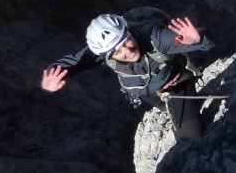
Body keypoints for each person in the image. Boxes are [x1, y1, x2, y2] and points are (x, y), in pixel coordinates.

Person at [40, 8, 214, 138]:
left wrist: (197, 39)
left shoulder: (155, 39)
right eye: (118, 51)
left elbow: (197, 42)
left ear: (129, 32)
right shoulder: (103, 50)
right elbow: (71, 63)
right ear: (108, 54)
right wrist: (48, 84)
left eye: (126, 40)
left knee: (190, 140)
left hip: (177, 86)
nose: (127, 50)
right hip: (149, 94)